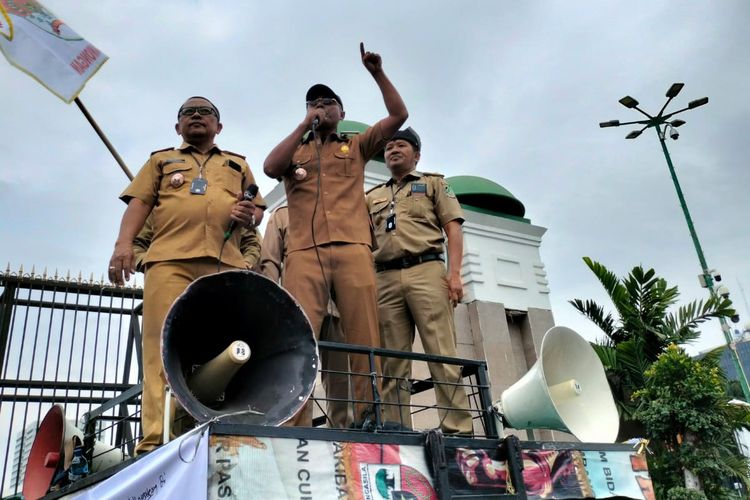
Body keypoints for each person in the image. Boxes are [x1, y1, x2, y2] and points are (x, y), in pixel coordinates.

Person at [108, 96, 266, 454]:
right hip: (170, 263)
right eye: (187, 113)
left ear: (219, 127)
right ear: (177, 126)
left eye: (205, 112)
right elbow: (139, 203)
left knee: (223, 350)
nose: (196, 115)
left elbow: (256, 216)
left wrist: (248, 215)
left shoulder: (237, 164)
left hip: (224, 264)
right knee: (160, 349)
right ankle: (153, 442)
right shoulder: (160, 160)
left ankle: (218, 432)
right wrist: (123, 245)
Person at [263, 43, 408, 427]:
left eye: (328, 103)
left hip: (352, 248)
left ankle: (368, 417)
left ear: (341, 112)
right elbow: (269, 167)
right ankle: (294, 420)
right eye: (314, 103)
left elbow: (399, 115)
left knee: (363, 335)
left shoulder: (356, 145)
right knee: (299, 338)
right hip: (304, 255)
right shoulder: (297, 150)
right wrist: (301, 126)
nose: (321, 107)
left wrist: (377, 72)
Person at [365, 127, 473, 435]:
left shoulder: (433, 184)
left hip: (426, 270)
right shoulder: (372, 196)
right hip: (384, 276)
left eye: (401, 145)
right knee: (392, 360)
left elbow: (453, 228)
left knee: (441, 352)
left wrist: (454, 274)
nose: (393, 150)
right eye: (389, 147)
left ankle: (457, 428)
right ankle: (395, 427)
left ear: (417, 154)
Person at [259, 205, 352, 428]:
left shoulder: (337, 210)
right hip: (298, 308)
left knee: (341, 377)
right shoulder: (281, 215)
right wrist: (273, 303)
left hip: (336, 306)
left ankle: (342, 432)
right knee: (298, 373)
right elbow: (269, 261)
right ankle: (298, 432)